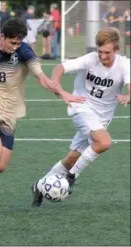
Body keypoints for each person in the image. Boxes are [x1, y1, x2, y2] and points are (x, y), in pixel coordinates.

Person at [0, 18, 85, 216]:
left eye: (18, 43)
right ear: (2, 37)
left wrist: (62, 93)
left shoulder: (25, 52)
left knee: (0, 166)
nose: (15, 46)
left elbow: (42, 78)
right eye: (12, 42)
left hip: (10, 114)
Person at [32, 27, 130, 207]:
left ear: (117, 49)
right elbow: (59, 68)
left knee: (72, 159)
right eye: (100, 51)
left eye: (107, 52)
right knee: (104, 142)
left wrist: (128, 96)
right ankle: (71, 177)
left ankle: (39, 185)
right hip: (80, 107)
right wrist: (59, 88)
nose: (102, 56)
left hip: (101, 119)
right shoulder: (90, 59)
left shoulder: (124, 64)